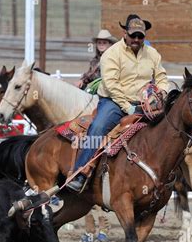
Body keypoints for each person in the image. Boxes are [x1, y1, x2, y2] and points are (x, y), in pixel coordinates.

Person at [66, 14, 170, 192]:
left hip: (145, 103)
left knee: (169, 128)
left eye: (140, 36)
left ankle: (168, 174)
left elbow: (161, 77)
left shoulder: (152, 54)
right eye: (133, 35)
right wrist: (127, 107)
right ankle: (81, 172)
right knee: (98, 127)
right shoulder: (112, 54)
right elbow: (111, 85)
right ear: (125, 33)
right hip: (113, 102)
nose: (137, 39)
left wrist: (161, 93)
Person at [74, 29, 117, 242]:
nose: (101, 44)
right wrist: (83, 80)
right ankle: (92, 227)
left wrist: (91, 85)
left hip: (106, 101)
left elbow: (108, 82)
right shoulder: (95, 61)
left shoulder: (113, 59)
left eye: (104, 41)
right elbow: (90, 76)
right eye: (99, 41)